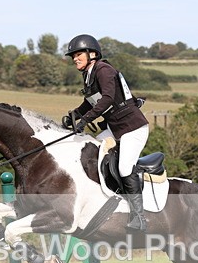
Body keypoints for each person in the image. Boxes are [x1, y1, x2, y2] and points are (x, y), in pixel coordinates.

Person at [62, 34, 149, 232]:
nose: (75, 59)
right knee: (89, 148)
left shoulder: (104, 70)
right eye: (73, 56)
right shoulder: (89, 74)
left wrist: (85, 120)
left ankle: (140, 217)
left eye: (78, 55)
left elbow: (108, 99)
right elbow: (90, 102)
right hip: (115, 128)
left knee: (126, 168)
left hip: (132, 128)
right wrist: (74, 115)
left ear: (92, 54)